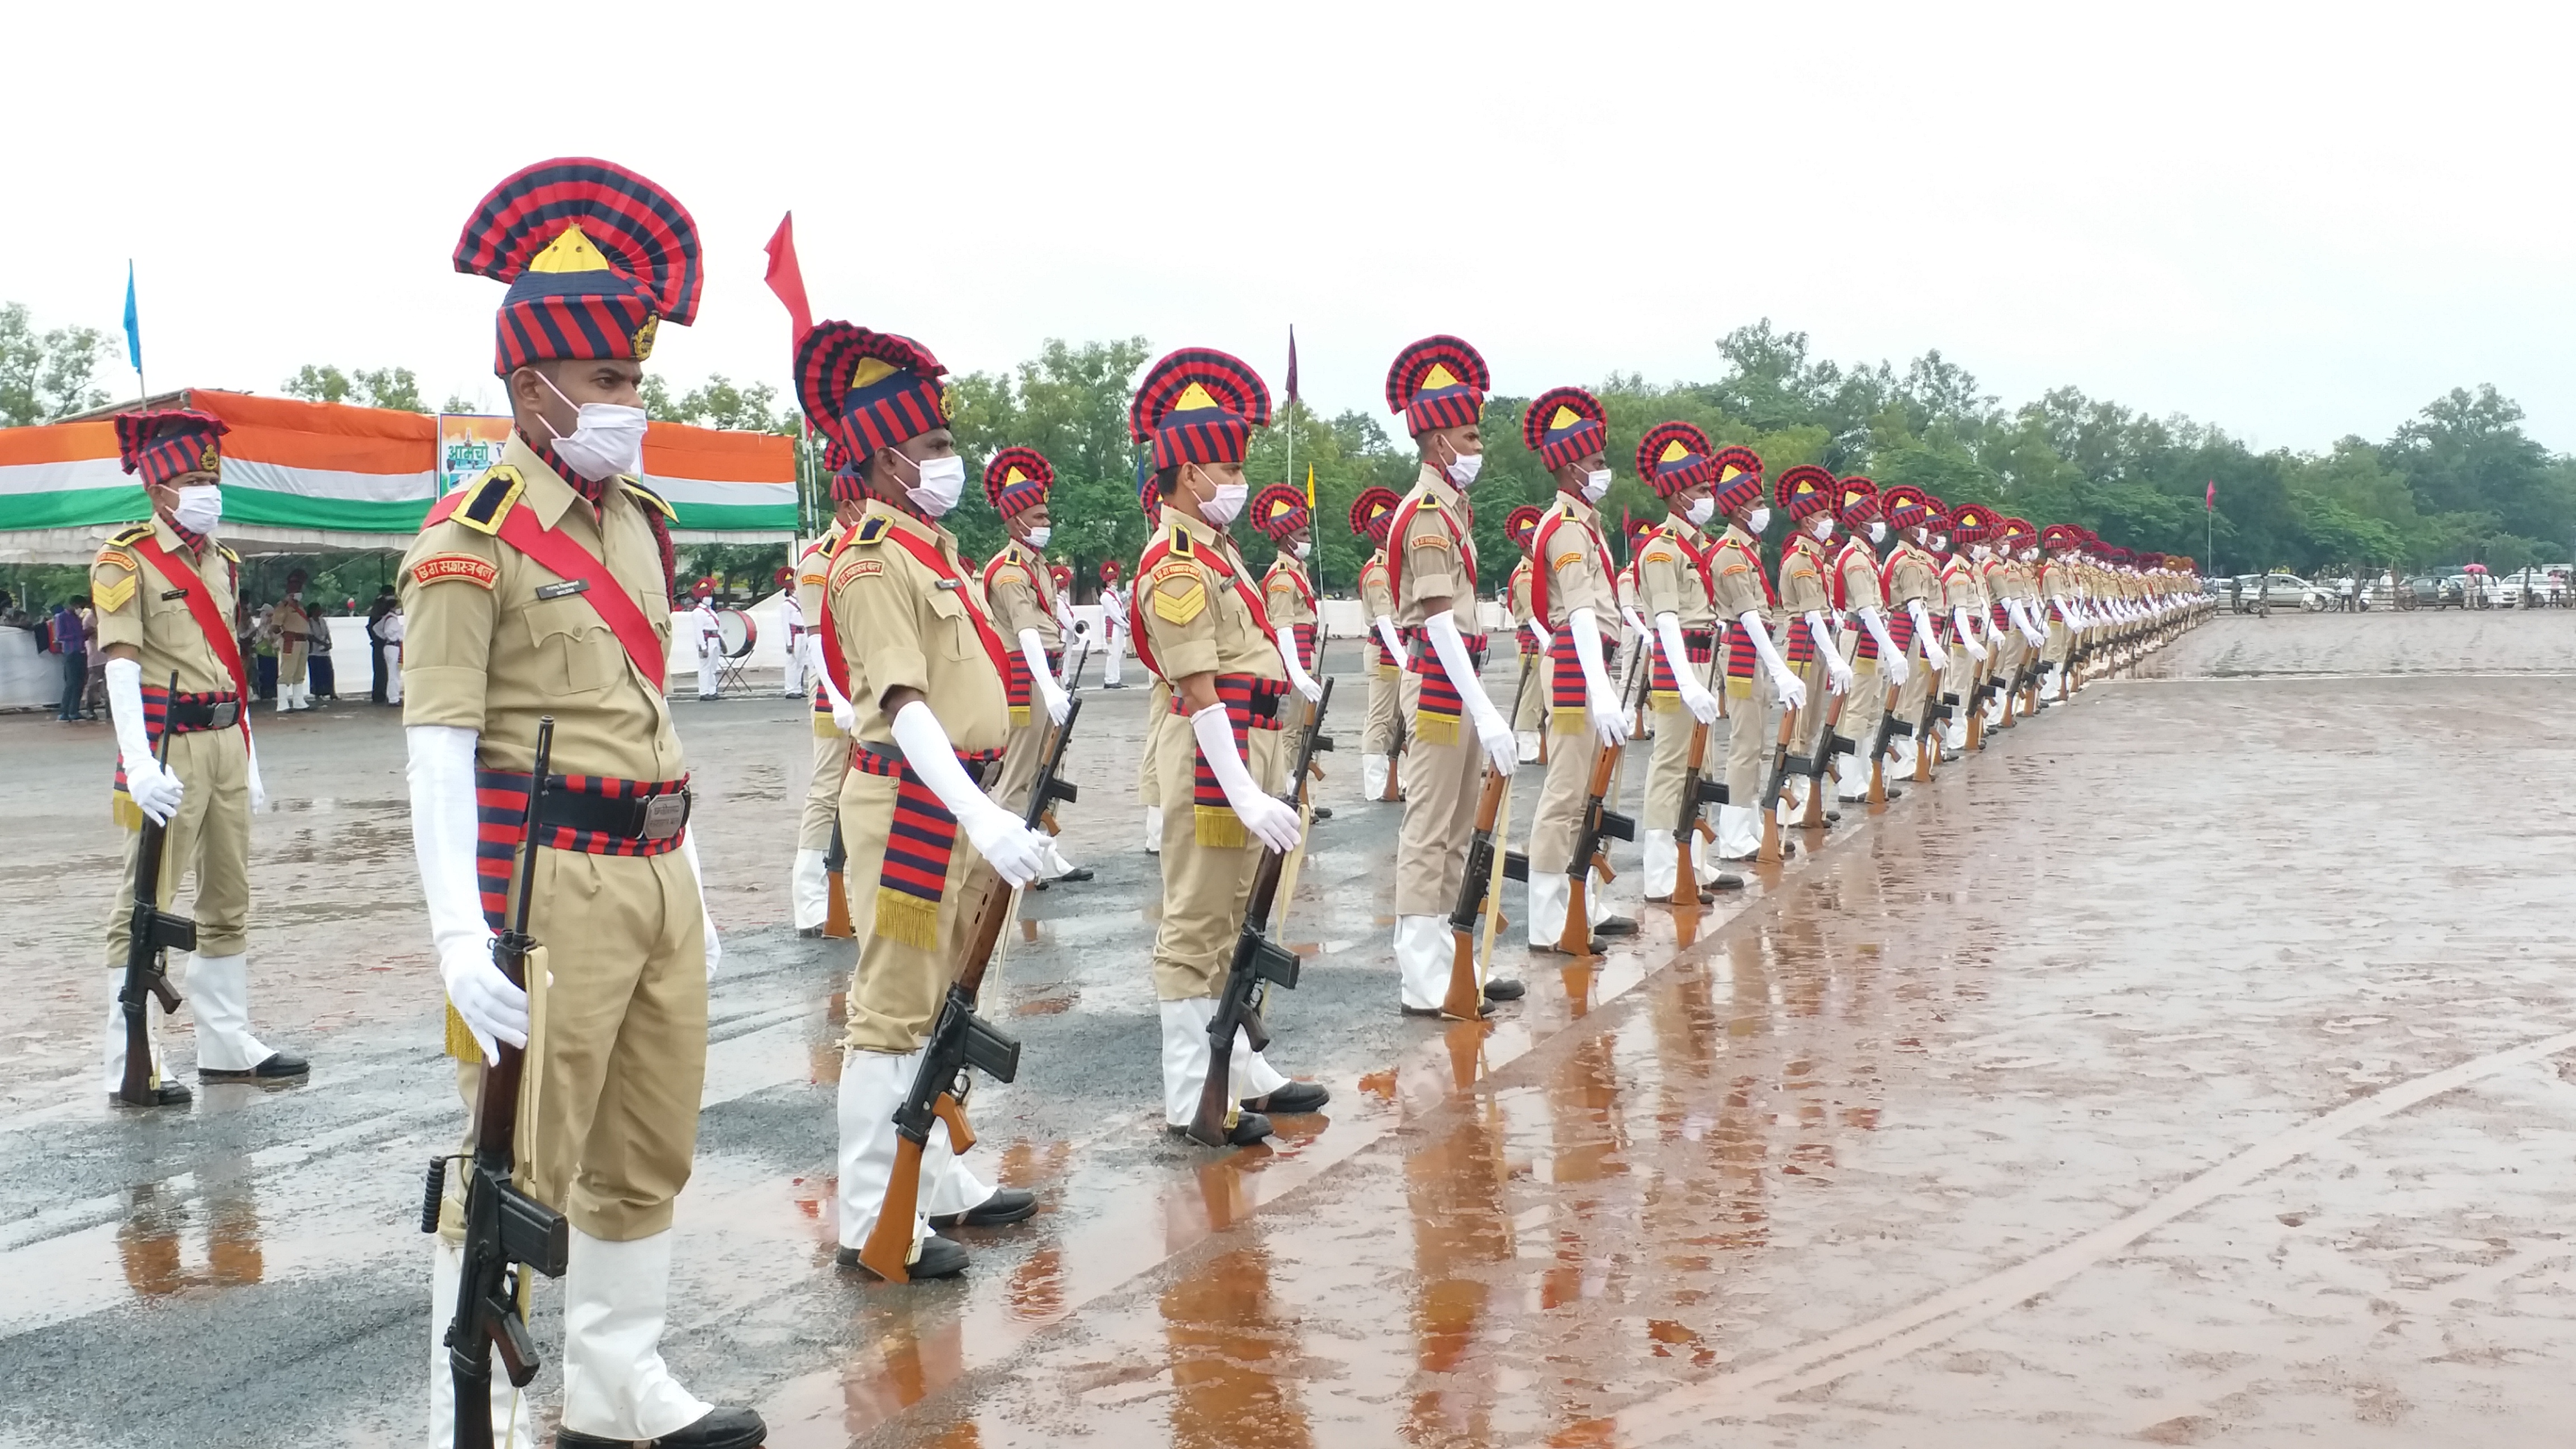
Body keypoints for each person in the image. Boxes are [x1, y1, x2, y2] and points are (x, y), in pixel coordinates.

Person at [408, 156, 760, 1448]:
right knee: (512, 1166)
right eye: (609, 380)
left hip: (659, 872)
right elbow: (437, 751)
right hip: (546, 886)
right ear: (530, 384)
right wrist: (456, 934)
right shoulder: (470, 533)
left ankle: (619, 1384)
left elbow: (649, 716)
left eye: (634, 377)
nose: (632, 404)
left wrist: (701, 884)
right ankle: (456, 1410)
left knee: (646, 1147)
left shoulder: (640, 523)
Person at [795, 318, 1054, 1281]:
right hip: (910, 804)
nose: (952, 461)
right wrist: (978, 811)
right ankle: (872, 1218)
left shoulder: (933, 551)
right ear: (885, 460)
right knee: (891, 1012)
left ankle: (938, 1179)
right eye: (936, 447)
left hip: (955, 801)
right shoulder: (868, 561)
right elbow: (901, 703)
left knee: (942, 1003)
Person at [1125, 344, 1327, 1144]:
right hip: (1216, 755)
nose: (1235, 479)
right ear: (1184, 475)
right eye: (1222, 464)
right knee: (1198, 923)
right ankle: (1192, 1093)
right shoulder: (1175, 566)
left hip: (1256, 741)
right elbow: (1198, 685)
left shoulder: (1221, 555)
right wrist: (1243, 787)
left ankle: (1242, 1067)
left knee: (1246, 920)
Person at [92, 409, 305, 1109]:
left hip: (223, 741)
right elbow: (120, 666)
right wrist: (137, 765)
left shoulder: (222, 560)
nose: (206, 491)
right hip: (169, 748)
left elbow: (229, 664)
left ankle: (226, 1040)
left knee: (228, 895)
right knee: (146, 899)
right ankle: (133, 1050)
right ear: (159, 492)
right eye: (189, 480)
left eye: (210, 478)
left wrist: (250, 749)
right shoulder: (125, 560)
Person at [1380, 335, 1522, 1016]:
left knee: (1461, 826)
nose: (1477, 447)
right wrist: (1488, 710)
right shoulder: (1429, 514)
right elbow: (1439, 620)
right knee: (1430, 826)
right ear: (1437, 443)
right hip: (1438, 678)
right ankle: (1421, 974)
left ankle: (1455, 957)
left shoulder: (1453, 509)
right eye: (1469, 435)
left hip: (1457, 675)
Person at [1514, 387, 1634, 952]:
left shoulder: (1584, 523)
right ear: (1569, 467)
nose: (1603, 472)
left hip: (1589, 664)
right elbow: (1581, 611)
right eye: (1596, 463)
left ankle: (1581, 902)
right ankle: (1547, 916)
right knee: (1564, 796)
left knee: (1591, 795)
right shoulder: (1563, 525)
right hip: (1571, 668)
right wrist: (1601, 690)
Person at [1701, 447, 1801, 860]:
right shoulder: (1728, 553)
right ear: (1741, 509)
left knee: (1756, 740)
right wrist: (1780, 670)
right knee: (1745, 743)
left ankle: (1749, 824)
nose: (1765, 511)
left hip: (1752, 650)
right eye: (1759, 504)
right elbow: (1748, 616)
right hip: (1740, 652)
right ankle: (1735, 833)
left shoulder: (1747, 550)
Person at [790, 440, 863, 936]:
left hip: (865, 691)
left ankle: (847, 888)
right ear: (845, 507)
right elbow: (817, 638)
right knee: (826, 792)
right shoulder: (820, 559)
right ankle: (811, 899)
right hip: (834, 692)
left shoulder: (861, 549)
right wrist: (837, 699)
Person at [1771, 466, 1853, 822]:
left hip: (1818, 648)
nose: (1829, 521)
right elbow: (1812, 615)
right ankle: (1790, 807)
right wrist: (1835, 658)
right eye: (1823, 516)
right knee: (1798, 732)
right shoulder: (1801, 561)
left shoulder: (1816, 558)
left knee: (1813, 723)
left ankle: (1804, 801)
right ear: (1806, 521)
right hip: (1804, 649)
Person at [1249, 482, 1331, 825]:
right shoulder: (1282, 577)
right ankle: (1288, 797)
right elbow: (1283, 628)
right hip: (1289, 669)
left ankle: (1300, 797)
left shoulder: (1299, 573)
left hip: (1303, 664)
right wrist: (1297, 674)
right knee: (1288, 737)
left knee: (1300, 735)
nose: (1307, 539)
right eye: (1301, 533)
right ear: (1286, 539)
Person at [1827, 477, 1906, 801]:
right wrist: (1892, 649)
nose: (1882, 525)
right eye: (1875, 520)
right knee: (1857, 711)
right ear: (1860, 524)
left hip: (1869, 638)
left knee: (1870, 709)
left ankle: (1860, 777)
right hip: (1861, 637)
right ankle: (1849, 782)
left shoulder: (1866, 555)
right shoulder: (1857, 558)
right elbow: (1867, 609)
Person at [1349, 486, 1411, 803]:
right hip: (1386, 651)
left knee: (1400, 719)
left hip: (1400, 648)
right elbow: (1385, 620)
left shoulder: (1394, 567)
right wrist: (1404, 660)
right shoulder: (1377, 572)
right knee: (1380, 718)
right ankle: (1376, 784)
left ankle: (1397, 779)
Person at [1503, 505, 1546, 764]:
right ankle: (1528, 744)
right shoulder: (1525, 577)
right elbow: (1533, 615)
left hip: (1537, 638)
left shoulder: (1535, 573)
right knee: (1530, 694)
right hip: (1532, 639)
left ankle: (1536, 743)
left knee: (1540, 693)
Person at [270, 571, 315, 712]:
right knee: (287, 672)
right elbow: (275, 627)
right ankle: (282, 704)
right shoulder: (283, 606)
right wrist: (286, 635)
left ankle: (298, 701)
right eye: (296, 585)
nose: (299, 589)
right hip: (291, 641)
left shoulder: (300, 606)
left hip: (303, 641)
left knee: (300, 672)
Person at [53, 596, 88, 722]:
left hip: (81, 651)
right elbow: (60, 636)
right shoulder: (61, 617)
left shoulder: (77, 618)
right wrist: (80, 635)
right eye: (81, 606)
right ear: (74, 605)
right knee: (71, 683)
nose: (81, 609)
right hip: (70, 652)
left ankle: (74, 711)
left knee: (80, 682)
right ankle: (64, 712)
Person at [776, 563, 807, 698]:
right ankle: (790, 689)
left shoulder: (800, 604)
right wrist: (789, 642)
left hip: (802, 633)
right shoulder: (786, 605)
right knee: (792, 663)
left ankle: (798, 688)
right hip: (794, 635)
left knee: (800, 663)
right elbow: (785, 625)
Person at [1097, 561, 1129, 689]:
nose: (1115, 583)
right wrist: (1126, 625)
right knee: (1113, 654)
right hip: (1113, 627)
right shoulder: (1105, 596)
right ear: (1108, 582)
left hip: (1119, 626)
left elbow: (1121, 612)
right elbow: (1114, 615)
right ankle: (1110, 680)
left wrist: (1126, 623)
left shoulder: (1115, 595)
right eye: (1113, 581)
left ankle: (1116, 678)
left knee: (1118, 654)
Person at [688, 581, 722, 700]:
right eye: (707, 595)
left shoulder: (711, 611)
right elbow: (698, 631)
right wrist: (703, 647)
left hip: (715, 639)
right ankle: (704, 692)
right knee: (705, 667)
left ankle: (713, 691)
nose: (710, 598)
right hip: (707, 641)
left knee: (713, 668)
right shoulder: (698, 612)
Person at [364, 585, 397, 703]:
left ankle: (383, 693)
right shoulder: (381, 605)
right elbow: (372, 627)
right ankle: (380, 695)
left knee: (384, 670)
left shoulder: (383, 606)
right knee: (381, 670)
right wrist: (379, 640)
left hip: (381, 640)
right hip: (380, 642)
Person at [306, 593, 336, 702]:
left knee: (329, 671)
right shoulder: (309, 622)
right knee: (317, 672)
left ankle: (331, 692)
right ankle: (318, 693)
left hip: (324, 651)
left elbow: (327, 633)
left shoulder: (323, 621)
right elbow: (310, 636)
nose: (320, 611)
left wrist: (329, 643)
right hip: (314, 651)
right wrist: (322, 643)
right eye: (318, 610)